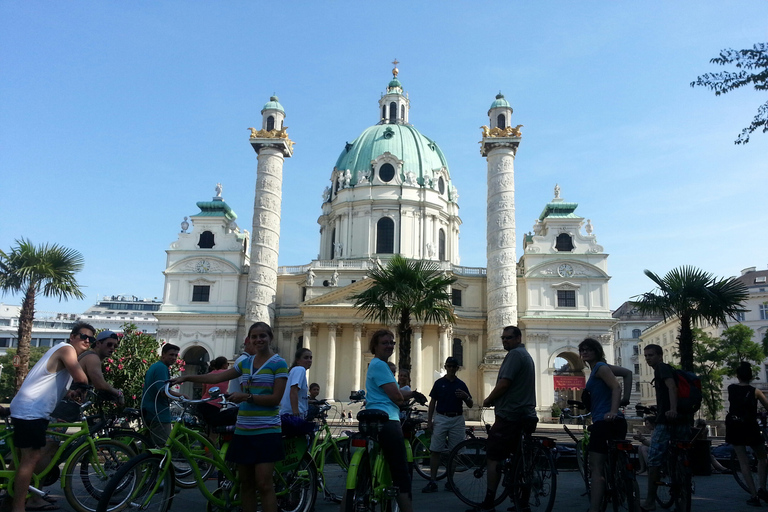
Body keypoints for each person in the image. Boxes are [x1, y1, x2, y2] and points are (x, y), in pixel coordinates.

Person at [171, 322, 288, 512]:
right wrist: (186, 378)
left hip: (267, 430)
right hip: (244, 430)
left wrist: (247, 397)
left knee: (264, 484)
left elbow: (275, 399)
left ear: (270, 338)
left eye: (262, 336)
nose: (258, 340)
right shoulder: (245, 362)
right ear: (249, 339)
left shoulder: (278, 363)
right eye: (254, 336)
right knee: (246, 484)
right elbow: (218, 377)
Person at [9, 322, 93, 512]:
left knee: (21, 457)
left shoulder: (62, 352)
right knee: (31, 458)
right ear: (72, 336)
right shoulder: (67, 349)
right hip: (32, 410)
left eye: (91, 339)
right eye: (83, 336)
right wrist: (85, 386)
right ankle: (18, 507)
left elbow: (49, 381)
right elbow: (82, 378)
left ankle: (9, 499)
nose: (87, 340)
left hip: (29, 408)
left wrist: (69, 393)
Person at [475, 325, 537, 512]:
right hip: (526, 414)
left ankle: (489, 502)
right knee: (518, 458)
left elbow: (504, 383)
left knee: (493, 456)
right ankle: (521, 502)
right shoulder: (526, 355)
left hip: (511, 415)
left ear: (518, 338)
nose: (504, 341)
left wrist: (488, 399)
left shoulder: (515, 355)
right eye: (503, 338)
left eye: (508, 337)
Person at [365, 329, 415, 512]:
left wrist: (408, 393)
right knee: (401, 473)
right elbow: (396, 396)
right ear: (375, 346)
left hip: (373, 416)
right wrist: (410, 395)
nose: (389, 346)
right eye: (385, 342)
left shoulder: (377, 365)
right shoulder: (380, 366)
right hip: (388, 418)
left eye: (392, 342)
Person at [578, 337, 628, 512]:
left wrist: (614, 411)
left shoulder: (600, 367)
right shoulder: (600, 368)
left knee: (596, 468)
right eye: (582, 350)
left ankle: (594, 509)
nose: (585, 352)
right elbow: (628, 373)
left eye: (589, 349)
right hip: (615, 422)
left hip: (605, 421)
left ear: (597, 351)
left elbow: (616, 387)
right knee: (621, 468)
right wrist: (625, 401)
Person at [641, 343, 691, 512]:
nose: (648, 358)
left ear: (660, 356)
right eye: (646, 355)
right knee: (680, 454)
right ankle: (682, 495)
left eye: (651, 355)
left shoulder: (661, 368)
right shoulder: (666, 368)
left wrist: (672, 409)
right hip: (682, 420)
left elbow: (671, 387)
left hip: (668, 421)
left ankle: (649, 501)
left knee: (654, 460)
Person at [422, 356, 472, 494]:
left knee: (454, 451)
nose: (450, 368)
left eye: (453, 366)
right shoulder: (439, 383)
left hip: (457, 419)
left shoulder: (461, 384)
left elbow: (470, 403)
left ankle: (450, 481)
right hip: (442, 418)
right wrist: (430, 420)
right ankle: (432, 480)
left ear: (457, 368)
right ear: (445, 367)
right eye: (448, 366)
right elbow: (433, 402)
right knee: (435, 450)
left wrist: (465, 396)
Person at [727, 362, 768, 506]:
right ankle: (762, 487)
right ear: (751, 377)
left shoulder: (731, 388)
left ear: (737, 376)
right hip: (751, 427)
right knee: (762, 457)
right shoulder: (756, 391)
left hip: (735, 427)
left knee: (743, 462)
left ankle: (754, 496)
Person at [141, 343, 184, 447]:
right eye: (171, 354)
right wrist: (182, 396)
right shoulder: (162, 368)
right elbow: (164, 391)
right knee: (162, 445)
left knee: (149, 445)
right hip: (158, 412)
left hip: (149, 410)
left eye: (176, 355)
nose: (174, 358)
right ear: (163, 354)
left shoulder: (156, 366)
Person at [78, 330, 124, 404]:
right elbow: (100, 384)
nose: (112, 348)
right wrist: (118, 393)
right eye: (109, 344)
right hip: (69, 404)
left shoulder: (90, 355)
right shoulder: (93, 357)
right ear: (98, 343)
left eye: (115, 346)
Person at [198, 356, 234, 429]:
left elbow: (204, 392)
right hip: (214, 405)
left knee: (205, 428)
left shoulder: (209, 375)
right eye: (227, 364)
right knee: (215, 429)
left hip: (204, 403)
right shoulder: (226, 373)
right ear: (224, 365)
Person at [280, 348, 312, 417]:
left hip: (287, 412)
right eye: (306, 358)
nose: (309, 360)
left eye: (310, 358)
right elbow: (293, 390)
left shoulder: (294, 370)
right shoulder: (300, 369)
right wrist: (295, 411)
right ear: (298, 360)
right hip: (292, 414)